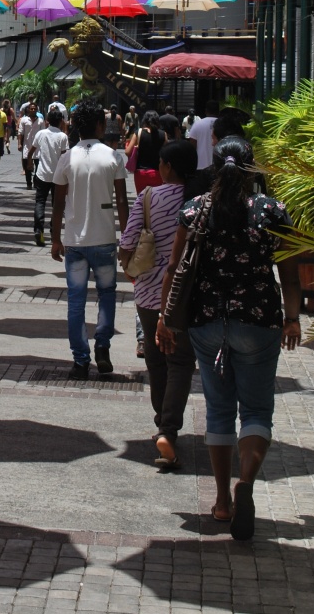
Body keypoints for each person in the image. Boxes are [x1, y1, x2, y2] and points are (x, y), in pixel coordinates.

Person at [158, 137, 302, 541]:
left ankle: (221, 501)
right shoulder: (271, 211)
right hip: (259, 320)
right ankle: (247, 485)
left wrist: (165, 320)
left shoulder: (195, 210)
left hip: (206, 321)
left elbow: (173, 268)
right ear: (251, 168)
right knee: (256, 410)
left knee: (219, 410)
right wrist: (292, 319)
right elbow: (289, 273)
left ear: (214, 166)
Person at [119, 138, 198, 470]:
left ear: (166, 167)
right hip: (187, 295)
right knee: (180, 362)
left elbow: (126, 241)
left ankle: (162, 424)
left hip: (150, 293)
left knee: (156, 360)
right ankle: (169, 428)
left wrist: (128, 268)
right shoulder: (198, 201)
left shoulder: (148, 196)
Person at [51, 99, 128, 378]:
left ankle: (80, 360)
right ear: (99, 124)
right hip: (105, 239)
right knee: (107, 295)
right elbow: (121, 201)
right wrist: (128, 237)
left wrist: (55, 239)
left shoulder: (66, 158)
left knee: (76, 300)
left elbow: (58, 204)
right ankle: (103, 346)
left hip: (74, 242)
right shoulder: (113, 156)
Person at [28, 108, 68, 247]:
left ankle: (38, 230)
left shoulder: (41, 133)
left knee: (40, 202)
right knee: (57, 205)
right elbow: (65, 156)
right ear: (60, 121)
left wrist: (29, 163)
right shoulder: (63, 136)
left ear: (48, 121)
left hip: (42, 174)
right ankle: (53, 232)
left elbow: (31, 151)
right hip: (58, 177)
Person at [130, 110, 164, 194]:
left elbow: (127, 151)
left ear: (144, 120)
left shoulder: (139, 132)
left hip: (140, 172)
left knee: (141, 201)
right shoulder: (163, 134)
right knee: (156, 200)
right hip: (157, 172)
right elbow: (167, 153)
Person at [18, 102, 45, 188]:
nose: (33, 110)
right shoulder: (24, 120)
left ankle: (36, 182)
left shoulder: (41, 121)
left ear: (37, 110)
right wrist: (19, 144)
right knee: (27, 166)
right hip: (27, 145)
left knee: (38, 165)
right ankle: (28, 183)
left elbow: (43, 134)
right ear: (28, 110)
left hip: (38, 147)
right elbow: (20, 133)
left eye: (34, 109)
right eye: (31, 108)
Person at [188, 99, 219, 170]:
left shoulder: (197, 124)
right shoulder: (223, 124)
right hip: (219, 167)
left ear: (206, 111)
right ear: (218, 111)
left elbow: (192, 148)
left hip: (200, 166)